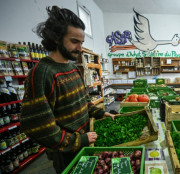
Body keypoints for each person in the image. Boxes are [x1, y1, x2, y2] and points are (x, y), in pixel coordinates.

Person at [20, 6, 115, 173]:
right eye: (74, 41)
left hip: (86, 141)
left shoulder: (72, 68)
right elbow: (37, 126)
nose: (79, 48)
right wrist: (77, 141)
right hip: (65, 153)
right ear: (56, 38)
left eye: (81, 42)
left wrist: (99, 113)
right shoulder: (42, 73)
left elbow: (83, 100)